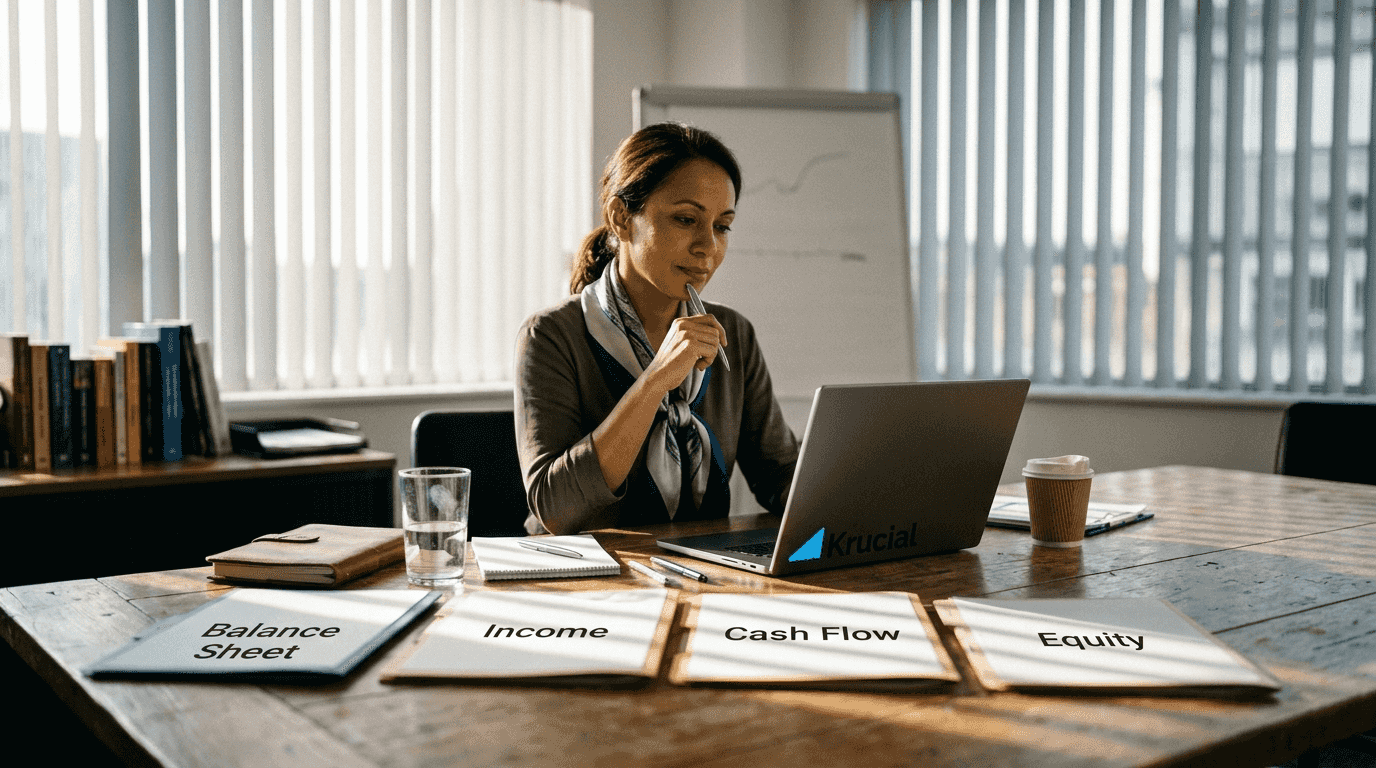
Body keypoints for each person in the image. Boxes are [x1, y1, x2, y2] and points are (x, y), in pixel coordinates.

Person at [514, 122, 799, 535]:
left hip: (700, 573)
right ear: (621, 217)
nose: (708, 246)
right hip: (583, 582)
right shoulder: (550, 336)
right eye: (686, 219)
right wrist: (654, 382)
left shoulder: (733, 334)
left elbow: (781, 478)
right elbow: (557, 510)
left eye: (722, 226)